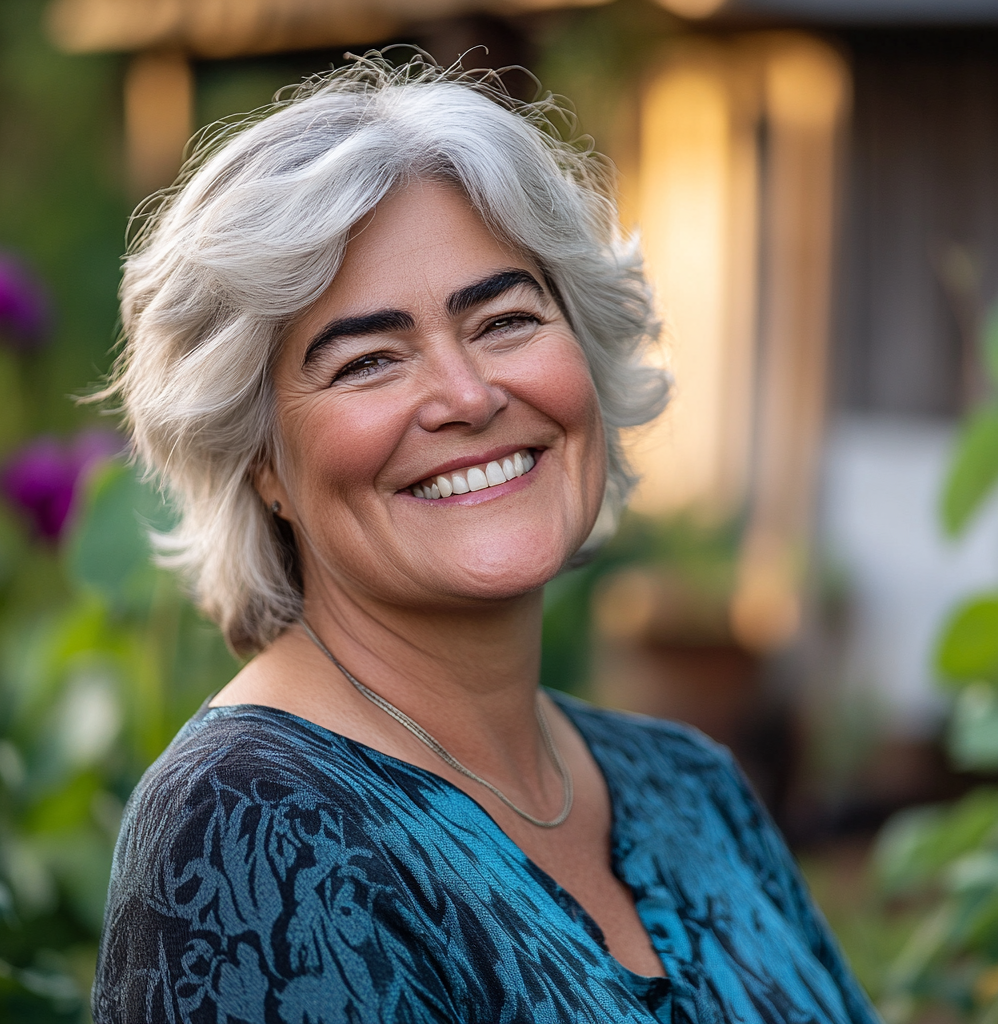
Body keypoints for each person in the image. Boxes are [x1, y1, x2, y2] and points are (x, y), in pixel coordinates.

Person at [92, 55, 877, 1024]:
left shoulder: (690, 786)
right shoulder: (249, 831)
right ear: (260, 460)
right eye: (368, 360)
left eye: (505, 319)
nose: (467, 396)